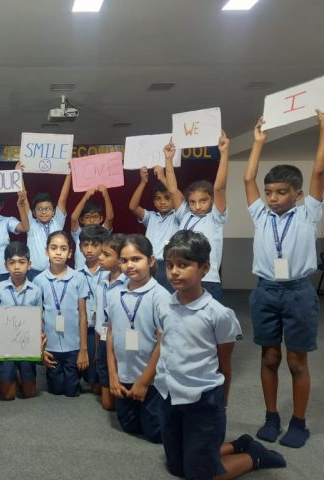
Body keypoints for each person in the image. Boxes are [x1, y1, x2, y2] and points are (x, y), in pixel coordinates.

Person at [157, 230, 285, 479]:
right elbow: (166, 346)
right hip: (169, 394)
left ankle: (254, 456)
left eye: (183, 265)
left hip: (202, 399)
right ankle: (237, 445)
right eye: (170, 265)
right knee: (177, 467)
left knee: (200, 475)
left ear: (204, 268)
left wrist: (221, 403)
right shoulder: (164, 304)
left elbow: (224, 364)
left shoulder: (218, 314)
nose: (174, 272)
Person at [243, 112, 324, 448]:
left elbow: (318, 171)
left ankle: (299, 422)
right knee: (270, 357)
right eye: (269, 192)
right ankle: (271, 416)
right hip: (265, 291)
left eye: (280, 192)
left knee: (296, 360)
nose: (273, 197)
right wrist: (258, 143)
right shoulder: (260, 215)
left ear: (298, 194)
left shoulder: (308, 213)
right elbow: (248, 179)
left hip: (298, 292)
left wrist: (323, 131)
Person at [106, 234, 168, 443]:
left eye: (136, 259)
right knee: (129, 426)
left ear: (151, 261)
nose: (129, 265)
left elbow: (163, 342)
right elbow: (110, 333)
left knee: (156, 434)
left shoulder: (160, 296)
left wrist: (143, 382)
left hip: (151, 380)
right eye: (124, 260)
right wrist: (113, 376)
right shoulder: (114, 294)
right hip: (124, 377)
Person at [159, 133, 229, 301]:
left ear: (212, 200)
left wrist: (224, 153)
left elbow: (219, 188)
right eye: (192, 202)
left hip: (208, 279)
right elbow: (173, 189)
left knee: (209, 317)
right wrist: (168, 159)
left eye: (203, 201)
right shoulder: (185, 214)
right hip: (183, 277)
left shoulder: (216, 218)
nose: (197, 206)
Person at [35, 231, 89, 397]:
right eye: (54, 248)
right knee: (56, 390)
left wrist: (83, 349)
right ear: (46, 251)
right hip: (50, 345)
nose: (58, 252)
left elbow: (83, 315)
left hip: (73, 344)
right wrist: (41, 349)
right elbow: (38, 317)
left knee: (72, 391)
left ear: (70, 253)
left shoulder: (79, 278)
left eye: (63, 249)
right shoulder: (39, 280)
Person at [0, 242, 43, 400]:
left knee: (29, 393)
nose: (16, 267)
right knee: (8, 396)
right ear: (5, 265)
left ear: (29, 264)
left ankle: (20, 374)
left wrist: (39, 340)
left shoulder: (36, 290)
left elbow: (39, 319)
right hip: (5, 345)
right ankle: (2, 372)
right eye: (12, 262)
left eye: (21, 262)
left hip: (27, 344)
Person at [128, 166, 178, 292]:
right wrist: (143, 182)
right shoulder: (151, 217)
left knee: (168, 297)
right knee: (146, 296)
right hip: (149, 264)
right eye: (158, 198)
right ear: (154, 202)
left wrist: (163, 178)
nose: (162, 202)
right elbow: (133, 207)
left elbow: (178, 196)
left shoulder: (178, 216)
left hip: (168, 264)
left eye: (167, 197)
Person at [18, 171, 71, 280]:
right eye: (39, 209)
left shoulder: (58, 221)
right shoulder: (31, 223)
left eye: (47, 208)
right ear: (34, 212)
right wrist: (19, 174)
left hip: (56, 271)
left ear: (54, 211)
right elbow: (24, 200)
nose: (43, 212)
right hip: (34, 272)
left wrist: (69, 173)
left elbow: (63, 199)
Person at [95, 233, 126, 411]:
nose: (100, 257)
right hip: (103, 334)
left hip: (121, 336)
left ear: (120, 260)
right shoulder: (102, 280)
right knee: (103, 366)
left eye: (106, 255)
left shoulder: (128, 284)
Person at [76, 224, 109, 393]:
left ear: (103, 246)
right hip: (85, 326)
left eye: (95, 245)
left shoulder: (109, 272)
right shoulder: (76, 274)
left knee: (100, 381)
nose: (89, 250)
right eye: (85, 245)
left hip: (104, 328)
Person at [70, 185, 114, 270]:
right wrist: (86, 196)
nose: (92, 220)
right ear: (81, 220)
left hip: (101, 273)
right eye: (88, 217)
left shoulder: (103, 232)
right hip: (80, 274)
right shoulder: (78, 234)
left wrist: (105, 195)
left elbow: (110, 218)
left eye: (95, 217)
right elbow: (73, 218)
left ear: (101, 219)